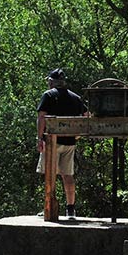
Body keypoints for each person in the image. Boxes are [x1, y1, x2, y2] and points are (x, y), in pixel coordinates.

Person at [37, 68, 86, 218]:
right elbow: (87, 116)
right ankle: (70, 209)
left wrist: (39, 138)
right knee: (68, 175)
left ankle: (49, 207)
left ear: (52, 82)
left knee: (50, 175)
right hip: (70, 142)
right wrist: (78, 134)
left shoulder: (48, 95)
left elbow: (42, 117)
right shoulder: (75, 98)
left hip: (52, 142)